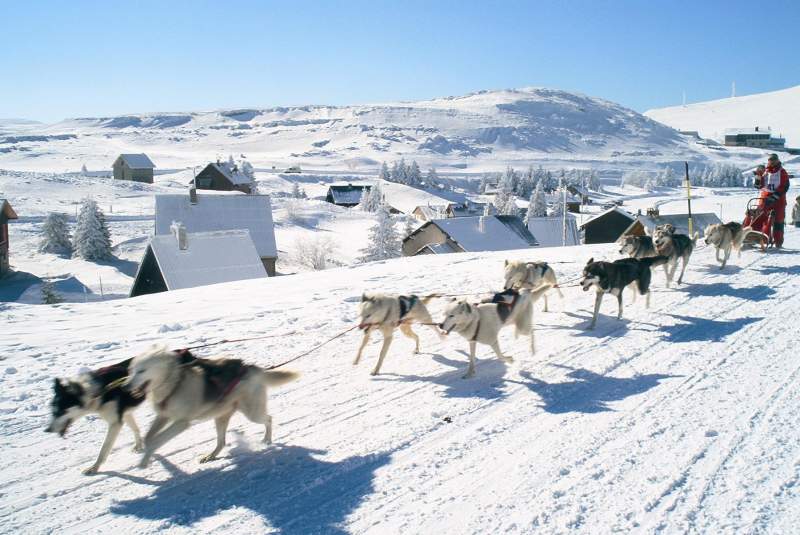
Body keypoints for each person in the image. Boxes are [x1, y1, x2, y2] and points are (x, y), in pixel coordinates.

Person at [761, 153, 791, 248]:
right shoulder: (764, 172)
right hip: (765, 199)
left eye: (774, 160)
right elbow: (760, 185)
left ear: (777, 161)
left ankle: (778, 242)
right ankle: (763, 238)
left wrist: (775, 196)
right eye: (770, 160)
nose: (772, 162)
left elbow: (785, 186)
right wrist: (757, 180)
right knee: (762, 218)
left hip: (778, 200)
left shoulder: (782, 172)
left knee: (778, 221)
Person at [743, 164, 768, 229]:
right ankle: (745, 228)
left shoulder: (768, 177)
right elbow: (757, 185)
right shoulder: (762, 178)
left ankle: (752, 229)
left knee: (760, 215)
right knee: (749, 213)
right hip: (761, 203)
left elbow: (759, 186)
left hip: (767, 203)